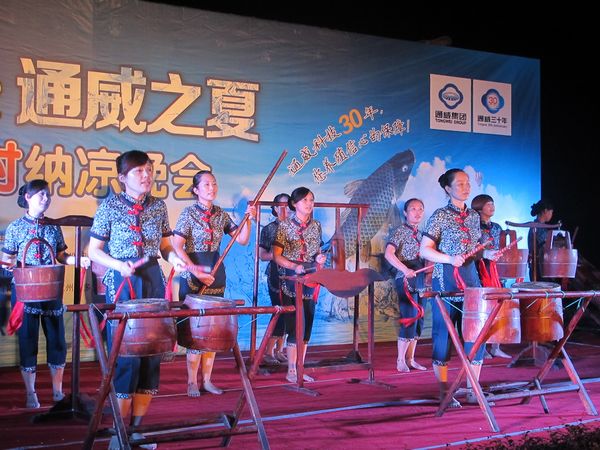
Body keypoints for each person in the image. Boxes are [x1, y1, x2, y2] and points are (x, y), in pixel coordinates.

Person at [88, 150, 185, 449]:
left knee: (151, 355)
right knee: (127, 356)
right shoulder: (109, 207)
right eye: (139, 171)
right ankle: (118, 435)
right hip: (124, 281)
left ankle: (137, 431)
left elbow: (165, 246)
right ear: (122, 177)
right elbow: (94, 251)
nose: (146, 176)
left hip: (152, 278)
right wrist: (119, 265)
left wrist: (175, 259)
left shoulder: (158, 206)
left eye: (149, 170)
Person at [1, 180, 90, 409]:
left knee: (57, 340)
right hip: (26, 291)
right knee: (28, 340)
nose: (46, 198)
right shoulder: (15, 227)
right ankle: (31, 393)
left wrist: (76, 260)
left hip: (51, 288)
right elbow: (6, 260)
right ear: (28, 197)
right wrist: (14, 269)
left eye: (47, 194)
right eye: (40, 194)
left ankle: (58, 392)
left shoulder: (53, 226)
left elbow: (61, 255)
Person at [172, 170, 255, 397]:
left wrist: (248, 219)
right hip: (193, 275)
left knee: (212, 330)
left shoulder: (220, 214)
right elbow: (177, 246)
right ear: (196, 190)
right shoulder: (188, 213)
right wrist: (196, 272)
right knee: (195, 330)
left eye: (214, 183)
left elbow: (242, 239)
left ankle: (207, 380)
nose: (212, 188)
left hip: (217, 273)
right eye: (207, 184)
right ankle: (191, 381)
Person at [420, 169, 495, 407]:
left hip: (471, 283)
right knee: (443, 336)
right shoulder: (440, 215)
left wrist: (487, 254)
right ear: (447, 188)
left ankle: (473, 389)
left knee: (476, 336)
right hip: (446, 283)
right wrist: (449, 258)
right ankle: (445, 392)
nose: (466, 187)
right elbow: (424, 249)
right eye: (460, 184)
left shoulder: (473, 216)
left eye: (467, 183)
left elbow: (474, 250)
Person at [273, 187, 326, 383]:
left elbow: (317, 252)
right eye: (304, 200)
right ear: (294, 204)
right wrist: (294, 266)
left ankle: (300, 368)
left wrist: (319, 258)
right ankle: (291, 370)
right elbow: (277, 256)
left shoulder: (316, 225)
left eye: (311, 200)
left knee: (308, 324)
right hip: (291, 278)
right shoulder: (284, 225)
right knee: (297, 324)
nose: (309, 203)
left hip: (311, 276)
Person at [384, 198, 428, 372]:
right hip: (405, 278)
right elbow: (389, 254)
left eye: (420, 209)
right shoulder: (400, 231)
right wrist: (405, 269)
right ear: (405, 212)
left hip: (421, 278)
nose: (417, 212)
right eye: (413, 209)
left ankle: (411, 359)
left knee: (420, 318)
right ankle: (400, 360)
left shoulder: (423, 234)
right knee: (410, 317)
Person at [471, 194, 511, 359]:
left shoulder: (497, 227)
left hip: (494, 269)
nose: (492, 207)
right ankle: (481, 347)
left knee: (498, 306)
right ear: (479, 207)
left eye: (493, 204)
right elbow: (471, 250)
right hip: (478, 267)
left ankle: (496, 345)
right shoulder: (473, 226)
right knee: (482, 309)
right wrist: (485, 254)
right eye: (488, 204)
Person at [258, 193, 291, 365]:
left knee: (289, 313)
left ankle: (279, 350)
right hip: (276, 275)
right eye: (281, 206)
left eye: (288, 206)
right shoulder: (269, 229)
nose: (285, 210)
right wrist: (276, 254)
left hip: (293, 275)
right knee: (279, 312)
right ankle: (268, 351)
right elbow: (262, 255)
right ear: (275, 209)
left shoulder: (296, 227)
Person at [528, 199, 554, 281]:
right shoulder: (538, 227)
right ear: (545, 211)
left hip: (539, 267)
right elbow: (545, 245)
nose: (552, 215)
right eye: (551, 212)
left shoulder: (539, 226)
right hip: (539, 268)